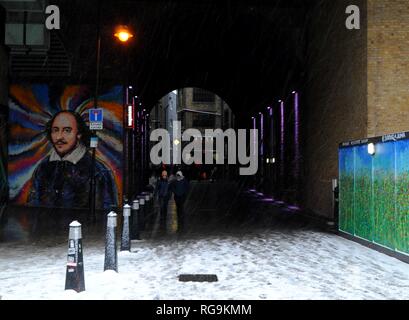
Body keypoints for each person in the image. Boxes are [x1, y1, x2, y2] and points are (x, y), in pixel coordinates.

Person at [28, 110, 118, 210]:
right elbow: (33, 207)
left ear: (79, 134)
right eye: (55, 130)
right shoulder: (43, 167)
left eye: (67, 130)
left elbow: (105, 214)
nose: (59, 137)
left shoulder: (97, 171)